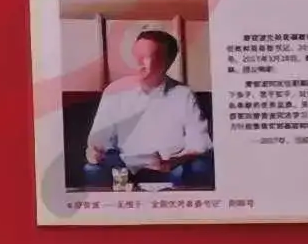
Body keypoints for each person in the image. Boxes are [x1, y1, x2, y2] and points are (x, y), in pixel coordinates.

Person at [82, 26, 214, 188]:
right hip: (124, 166)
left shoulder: (183, 94)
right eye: (136, 56)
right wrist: (96, 152)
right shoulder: (115, 90)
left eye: (146, 57)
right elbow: (98, 141)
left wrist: (174, 161)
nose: (138, 63)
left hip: (170, 167)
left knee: (200, 168)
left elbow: (200, 143)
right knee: (92, 170)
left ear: (167, 62)